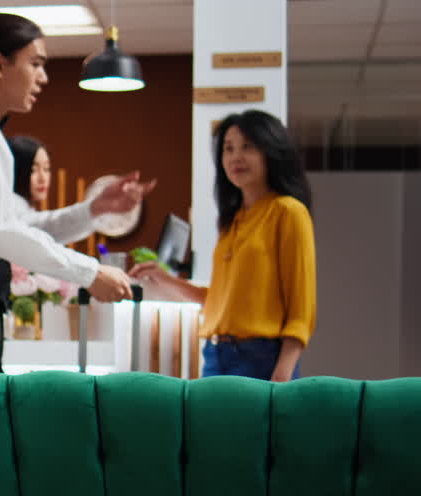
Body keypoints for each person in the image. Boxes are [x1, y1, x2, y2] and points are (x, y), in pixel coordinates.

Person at [0, 12, 155, 381]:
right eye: (36, 64)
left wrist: (94, 210)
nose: (44, 77)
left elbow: (19, 226)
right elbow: (2, 233)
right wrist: (90, 272)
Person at [129, 110, 316, 381]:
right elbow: (217, 300)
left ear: (271, 151)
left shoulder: (288, 212)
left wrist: (283, 372)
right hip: (216, 355)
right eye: (228, 149)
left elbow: (302, 305)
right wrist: (164, 279)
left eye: (247, 147)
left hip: (263, 357)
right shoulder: (234, 220)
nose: (235, 157)